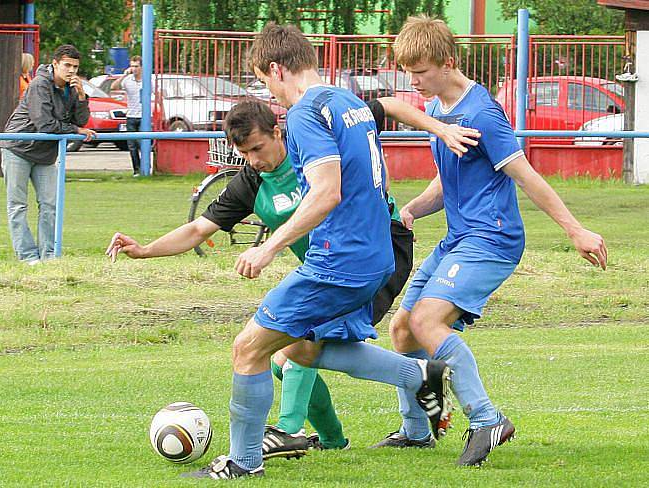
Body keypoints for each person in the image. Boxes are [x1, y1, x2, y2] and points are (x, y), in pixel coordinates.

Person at [105, 97, 480, 460]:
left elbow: (390, 106)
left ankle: (289, 429)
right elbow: (199, 229)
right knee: (300, 349)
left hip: (376, 250)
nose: (254, 161)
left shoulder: (314, 142)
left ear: (277, 132)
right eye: (245, 155)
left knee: (288, 341)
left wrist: (440, 129)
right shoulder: (252, 181)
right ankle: (405, 384)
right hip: (329, 268)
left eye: (257, 148)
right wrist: (145, 250)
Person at [166, 23, 461, 480]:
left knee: (248, 349)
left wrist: (269, 247)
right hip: (373, 255)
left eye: (265, 81)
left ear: (277, 68)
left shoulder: (305, 114)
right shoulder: (345, 102)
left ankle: (243, 464)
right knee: (304, 349)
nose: (270, 93)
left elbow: (326, 193)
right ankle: (416, 375)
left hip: (338, 261)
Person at [371, 15, 608, 467]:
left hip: (492, 240)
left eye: (420, 72)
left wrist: (574, 229)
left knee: (427, 322)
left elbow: (526, 175)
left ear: (448, 61)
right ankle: (418, 431)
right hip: (459, 238)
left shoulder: (482, 112)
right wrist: (414, 208)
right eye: (408, 72)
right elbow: (450, 181)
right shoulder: (440, 110)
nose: (413, 81)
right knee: (402, 330)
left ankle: (486, 419)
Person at [1, 44, 95, 264]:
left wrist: (81, 96)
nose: (71, 71)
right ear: (55, 64)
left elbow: (81, 121)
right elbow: (44, 124)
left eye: (75, 66)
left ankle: (49, 256)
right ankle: (27, 257)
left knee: (50, 205)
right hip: (18, 147)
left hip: (44, 154)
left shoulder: (72, 88)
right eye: (67, 65)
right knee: (17, 205)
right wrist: (75, 130)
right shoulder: (39, 84)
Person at [111, 56, 143, 176]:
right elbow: (113, 87)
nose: (134, 69)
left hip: (143, 116)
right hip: (131, 116)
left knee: (143, 144)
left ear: (141, 67)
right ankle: (137, 170)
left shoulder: (147, 80)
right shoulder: (128, 79)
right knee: (132, 145)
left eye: (136, 66)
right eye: (132, 66)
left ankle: (147, 167)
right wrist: (124, 75)